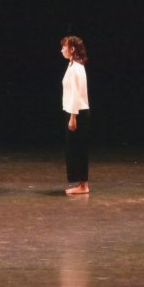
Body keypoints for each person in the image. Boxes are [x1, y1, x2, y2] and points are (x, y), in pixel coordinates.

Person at [60, 35, 91, 195]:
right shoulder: (72, 65)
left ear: (72, 49)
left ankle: (83, 185)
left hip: (77, 112)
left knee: (79, 148)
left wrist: (73, 117)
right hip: (73, 111)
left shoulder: (76, 68)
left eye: (64, 47)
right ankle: (81, 183)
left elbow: (76, 94)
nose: (62, 50)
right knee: (74, 148)